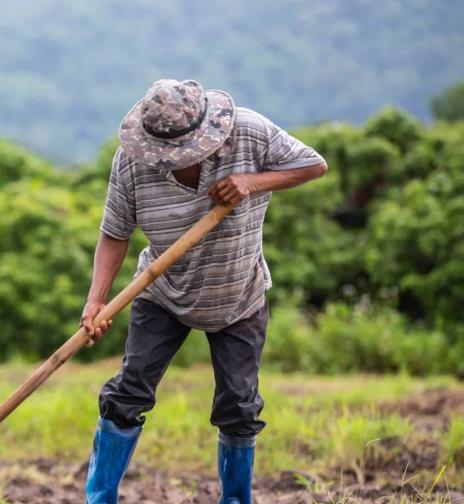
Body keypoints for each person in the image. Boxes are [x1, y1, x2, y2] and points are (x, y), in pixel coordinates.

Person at [82, 79, 327, 504]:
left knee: (239, 406)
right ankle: (99, 498)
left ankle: (236, 500)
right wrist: (96, 300)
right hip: (162, 293)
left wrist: (252, 182)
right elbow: (114, 232)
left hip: (238, 295)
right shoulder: (131, 163)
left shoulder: (248, 132)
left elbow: (313, 165)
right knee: (127, 394)